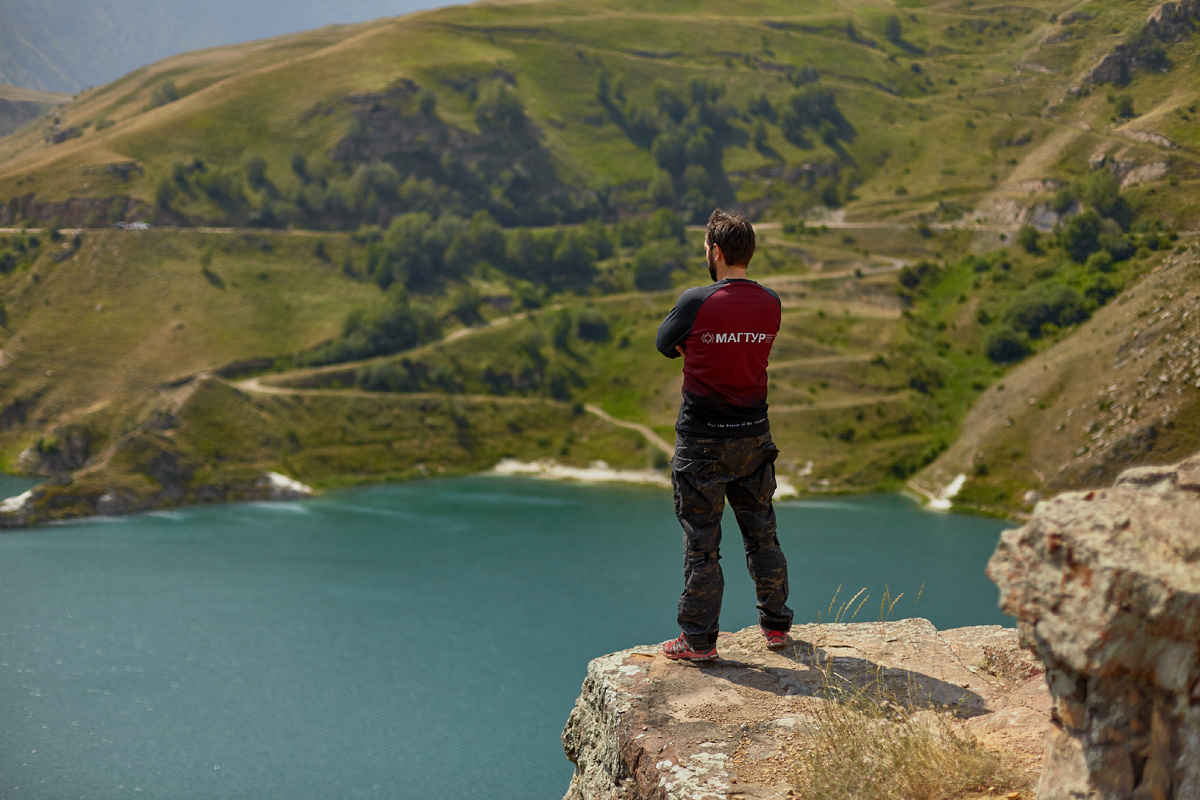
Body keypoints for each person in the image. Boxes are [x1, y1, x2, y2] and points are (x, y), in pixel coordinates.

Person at [655, 209, 792, 662]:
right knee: (763, 535)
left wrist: (694, 345)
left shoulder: (697, 301)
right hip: (754, 437)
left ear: (714, 251)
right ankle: (776, 628)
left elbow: (663, 343)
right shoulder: (770, 301)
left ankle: (698, 641)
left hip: (702, 444)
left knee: (702, 546)